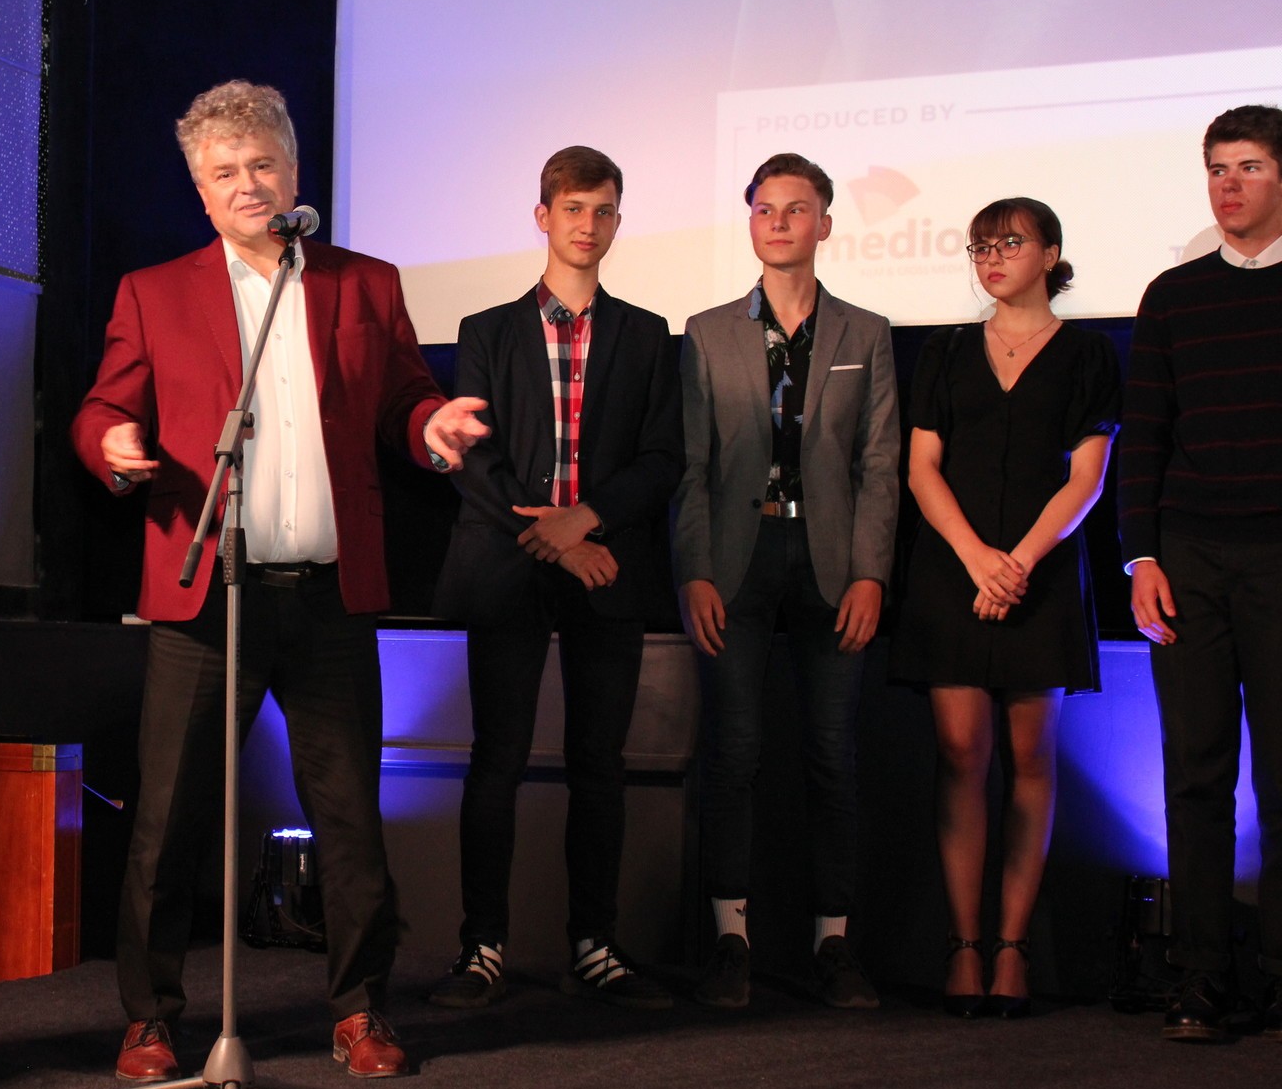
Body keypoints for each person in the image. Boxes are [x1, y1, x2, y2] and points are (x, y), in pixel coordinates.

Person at [71, 80, 488, 1081]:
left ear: (294, 171)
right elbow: (101, 407)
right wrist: (112, 444)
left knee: (348, 817)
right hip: (206, 594)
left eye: (263, 164)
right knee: (167, 818)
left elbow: (404, 398)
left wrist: (429, 426)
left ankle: (360, 1009)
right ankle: (150, 1018)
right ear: (200, 191)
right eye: (225, 172)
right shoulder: (155, 292)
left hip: (329, 596)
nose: (248, 184)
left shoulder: (366, 284)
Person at [425, 146, 682, 1010]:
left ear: (618, 221)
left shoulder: (646, 335)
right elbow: (474, 459)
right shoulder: (486, 331)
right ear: (543, 217)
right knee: (496, 759)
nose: (588, 225)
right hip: (512, 566)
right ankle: (481, 948)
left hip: (607, 568)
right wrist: (560, 538)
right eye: (573, 208)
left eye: (603, 210)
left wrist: (587, 520)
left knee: (598, 764)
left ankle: (595, 944)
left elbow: (662, 458)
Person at [673, 152, 899, 1009]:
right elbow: (691, 468)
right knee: (733, 752)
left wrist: (871, 573)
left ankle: (834, 945)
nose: (777, 222)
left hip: (832, 563)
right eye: (764, 208)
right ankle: (730, 942)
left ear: (825, 224)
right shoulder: (706, 332)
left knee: (832, 755)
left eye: (795, 209)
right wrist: (695, 570)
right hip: (736, 561)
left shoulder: (865, 333)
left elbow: (880, 466)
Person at [892, 197, 1118, 1019]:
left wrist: (1017, 563)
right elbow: (921, 468)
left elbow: (1087, 477)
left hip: (1040, 574)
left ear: (1049, 254)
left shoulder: (1088, 352)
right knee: (960, 753)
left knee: (1030, 760)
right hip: (954, 569)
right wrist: (978, 560)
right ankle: (962, 945)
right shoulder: (948, 350)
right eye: (980, 247)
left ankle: (1013, 948)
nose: (991, 258)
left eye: (1009, 244)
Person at [1121, 104, 1282, 1043]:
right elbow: (1144, 436)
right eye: (1218, 168)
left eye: (1249, 166)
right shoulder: (1174, 295)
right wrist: (1141, 555)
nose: (1229, 184)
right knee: (1195, 770)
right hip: (1188, 557)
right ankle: (1204, 976)